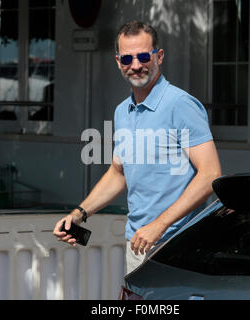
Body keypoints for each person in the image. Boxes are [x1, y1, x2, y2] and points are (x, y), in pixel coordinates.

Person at [53, 21, 222, 275]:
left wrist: (160, 225)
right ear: (118, 60)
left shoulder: (181, 105)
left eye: (143, 56)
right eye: (127, 59)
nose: (135, 65)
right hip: (138, 244)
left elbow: (210, 175)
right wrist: (79, 213)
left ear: (159, 56)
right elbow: (118, 173)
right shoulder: (122, 111)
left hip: (178, 245)